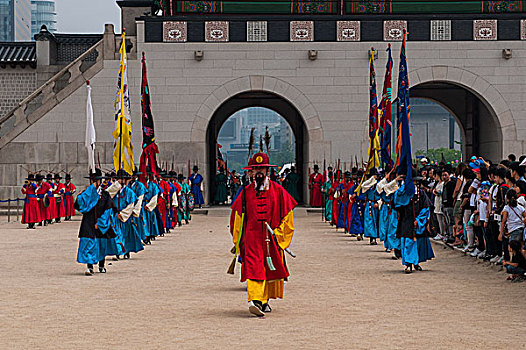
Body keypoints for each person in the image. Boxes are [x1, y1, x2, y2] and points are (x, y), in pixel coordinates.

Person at [229, 152, 297, 317]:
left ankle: (264, 300)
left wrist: (279, 235)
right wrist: (239, 239)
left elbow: (288, 217)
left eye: (262, 168)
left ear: (268, 171)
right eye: (256, 169)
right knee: (253, 267)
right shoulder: (245, 193)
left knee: (269, 268)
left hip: (270, 238)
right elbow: (237, 217)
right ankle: (255, 300)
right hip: (252, 238)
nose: (259, 172)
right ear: (251, 172)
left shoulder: (278, 191)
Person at [74, 168, 118, 276]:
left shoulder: (105, 195)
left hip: (100, 223)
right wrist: (90, 190)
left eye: (96, 181)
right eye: (92, 181)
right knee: (89, 244)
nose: (94, 183)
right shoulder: (86, 193)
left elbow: (108, 210)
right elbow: (79, 205)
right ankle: (89, 267)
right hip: (88, 222)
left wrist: (100, 223)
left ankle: (101, 265)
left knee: (101, 245)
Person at [113, 170, 143, 259]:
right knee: (117, 234)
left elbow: (131, 205)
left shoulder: (129, 192)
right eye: (119, 179)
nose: (120, 181)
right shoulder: (113, 191)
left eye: (122, 179)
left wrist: (122, 215)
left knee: (126, 234)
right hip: (115, 216)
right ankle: (118, 252)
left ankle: (126, 251)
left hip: (125, 216)